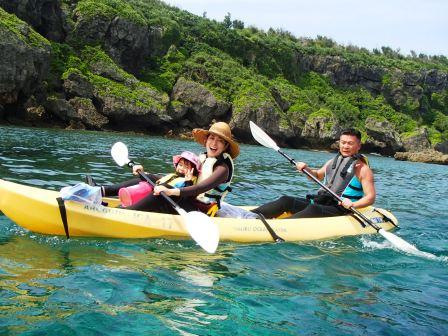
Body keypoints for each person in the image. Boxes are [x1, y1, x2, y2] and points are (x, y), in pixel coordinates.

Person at [251, 128, 376, 219]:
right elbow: (317, 176)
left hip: (341, 209)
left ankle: (278, 227)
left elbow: (370, 197)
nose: (345, 146)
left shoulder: (362, 169)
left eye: (350, 143)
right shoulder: (333, 161)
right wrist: (306, 169)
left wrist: (353, 204)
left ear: (358, 146)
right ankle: (249, 216)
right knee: (286, 200)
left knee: (313, 209)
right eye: (343, 142)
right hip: (322, 202)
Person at [154, 121, 240, 216]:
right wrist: (148, 174)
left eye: (220, 141)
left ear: (225, 146)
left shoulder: (223, 169)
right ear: (206, 140)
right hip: (189, 201)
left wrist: (170, 191)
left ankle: (135, 212)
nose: (214, 143)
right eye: (211, 138)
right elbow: (176, 177)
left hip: (203, 210)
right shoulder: (203, 159)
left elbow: (200, 188)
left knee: (165, 190)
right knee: (156, 183)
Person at [98, 151, 201, 210]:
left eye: (186, 166)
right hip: (158, 200)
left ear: (193, 170)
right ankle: (103, 190)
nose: (181, 168)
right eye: (180, 165)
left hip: (171, 206)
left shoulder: (191, 181)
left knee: (163, 188)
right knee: (149, 179)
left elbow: (187, 198)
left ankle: (126, 211)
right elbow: (156, 180)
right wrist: (142, 172)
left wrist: (188, 181)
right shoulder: (174, 176)